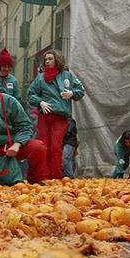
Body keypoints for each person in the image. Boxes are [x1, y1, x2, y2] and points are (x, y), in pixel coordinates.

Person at [27, 49, 85, 180]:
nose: (47, 62)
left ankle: (56, 176)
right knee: (44, 146)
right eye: (45, 60)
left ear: (57, 60)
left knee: (56, 147)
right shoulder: (40, 78)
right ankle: (45, 175)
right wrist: (40, 102)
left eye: (50, 59)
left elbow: (80, 90)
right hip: (45, 116)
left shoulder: (67, 76)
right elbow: (30, 94)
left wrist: (72, 93)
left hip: (60, 116)